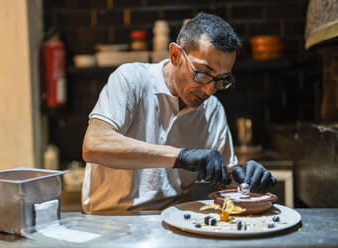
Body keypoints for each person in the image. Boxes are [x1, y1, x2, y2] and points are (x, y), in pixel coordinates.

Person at [81, 12, 277, 212]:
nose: (210, 90)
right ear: (175, 55)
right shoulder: (131, 80)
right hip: (109, 221)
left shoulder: (212, 109)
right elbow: (94, 144)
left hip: (174, 221)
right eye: (202, 74)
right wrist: (181, 156)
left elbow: (224, 183)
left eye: (222, 80)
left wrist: (247, 181)